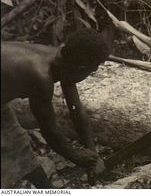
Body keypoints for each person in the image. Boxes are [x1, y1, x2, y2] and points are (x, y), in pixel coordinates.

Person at [1, 28, 110, 188]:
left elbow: (76, 110)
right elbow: (50, 131)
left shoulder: (64, 62)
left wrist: (93, 154)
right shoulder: (40, 75)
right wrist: (77, 158)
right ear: (81, 69)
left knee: (17, 143)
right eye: (91, 71)